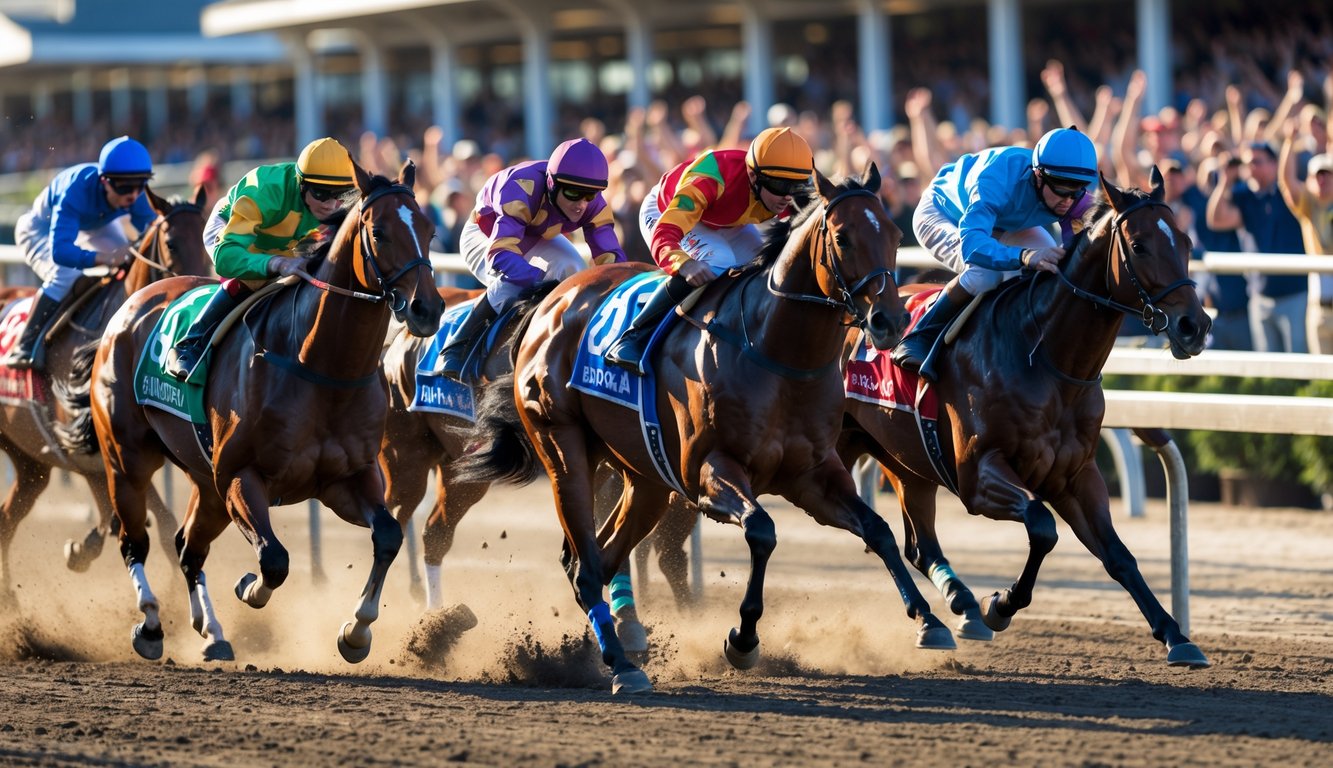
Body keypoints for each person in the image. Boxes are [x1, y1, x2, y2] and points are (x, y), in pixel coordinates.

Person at [604, 126, 815, 374]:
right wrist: (684, 263)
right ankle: (634, 336)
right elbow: (666, 233)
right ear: (754, 176)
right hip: (665, 213)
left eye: (797, 186)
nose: (789, 196)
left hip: (725, 220)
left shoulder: (784, 183)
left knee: (766, 266)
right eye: (780, 185)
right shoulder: (712, 176)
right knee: (719, 258)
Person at [890, 127, 1099, 376]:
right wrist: (1023, 256)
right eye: (1061, 189)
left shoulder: (1073, 195)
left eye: (1077, 190)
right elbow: (973, 247)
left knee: (1052, 266)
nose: (1069, 199)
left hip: (1005, 222)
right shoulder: (996, 178)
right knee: (984, 273)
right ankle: (919, 335)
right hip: (944, 214)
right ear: (1038, 176)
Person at [162, 137, 357, 380]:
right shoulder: (265, 188)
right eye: (322, 194)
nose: (331, 204)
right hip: (231, 232)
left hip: (286, 240)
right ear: (301, 184)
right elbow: (226, 259)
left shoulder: (336, 204)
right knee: (252, 280)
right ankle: (190, 343)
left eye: (340, 194)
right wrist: (275, 263)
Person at [432, 137, 626, 379]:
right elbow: (501, 254)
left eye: (590, 195)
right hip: (486, 235)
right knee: (517, 280)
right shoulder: (520, 186)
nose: (581, 204)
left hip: (536, 234)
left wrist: (622, 292)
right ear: (553, 184)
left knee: (574, 267)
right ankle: (456, 346)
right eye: (574, 193)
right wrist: (538, 281)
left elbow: (611, 259)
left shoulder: (590, 201)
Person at [2, 136, 157, 370]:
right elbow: (61, 252)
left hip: (96, 226)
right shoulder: (76, 189)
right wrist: (103, 258)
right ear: (105, 181)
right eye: (125, 187)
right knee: (65, 275)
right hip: (40, 230)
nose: (134, 195)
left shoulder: (134, 193)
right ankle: (26, 344)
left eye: (141, 184)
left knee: (131, 261)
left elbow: (153, 235)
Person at [1207, 141, 1309, 353]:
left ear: (1274, 164)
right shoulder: (1244, 196)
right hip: (1259, 297)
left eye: (1257, 162)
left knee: (1299, 364)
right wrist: (1225, 181)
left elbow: (1289, 179)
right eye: (1247, 163)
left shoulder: (1288, 194)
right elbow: (1216, 220)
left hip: (1295, 294)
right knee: (1268, 370)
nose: (1251, 168)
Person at [1277, 130, 1333, 354]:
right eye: (1317, 175)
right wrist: (1290, 141)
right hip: (1319, 307)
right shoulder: (1309, 206)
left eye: (1327, 174)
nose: (1322, 180)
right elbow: (1287, 181)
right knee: (1323, 379)